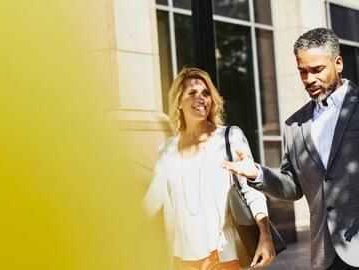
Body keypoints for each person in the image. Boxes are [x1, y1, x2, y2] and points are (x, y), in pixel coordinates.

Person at [224, 28, 359, 270]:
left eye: (317, 70)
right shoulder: (294, 125)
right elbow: (293, 187)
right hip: (325, 254)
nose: (309, 79)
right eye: (302, 71)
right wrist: (258, 174)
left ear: (338, 63)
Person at [143, 67, 275, 270]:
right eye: (192, 93)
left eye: (206, 93)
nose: (201, 98)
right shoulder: (167, 149)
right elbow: (154, 197)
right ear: (178, 101)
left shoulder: (229, 137)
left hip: (222, 255)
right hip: (182, 260)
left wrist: (265, 236)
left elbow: (251, 191)